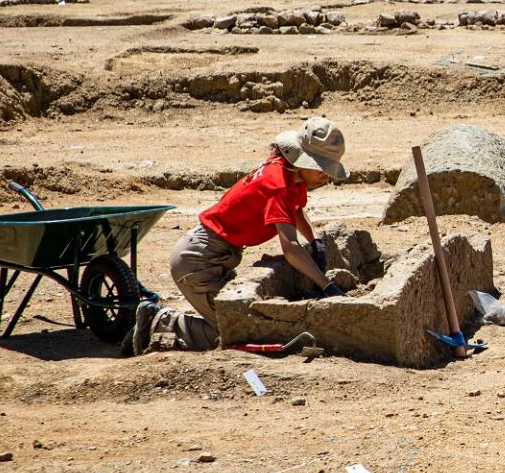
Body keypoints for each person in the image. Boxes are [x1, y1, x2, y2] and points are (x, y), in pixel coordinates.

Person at [131, 117, 350, 353]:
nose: (326, 176)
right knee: (231, 333)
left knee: (240, 320)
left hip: (213, 255)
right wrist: (326, 286)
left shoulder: (288, 174)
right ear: (302, 160)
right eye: (321, 168)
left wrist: (314, 240)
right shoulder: (277, 186)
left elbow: (295, 210)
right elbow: (291, 249)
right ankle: (160, 321)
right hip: (198, 261)